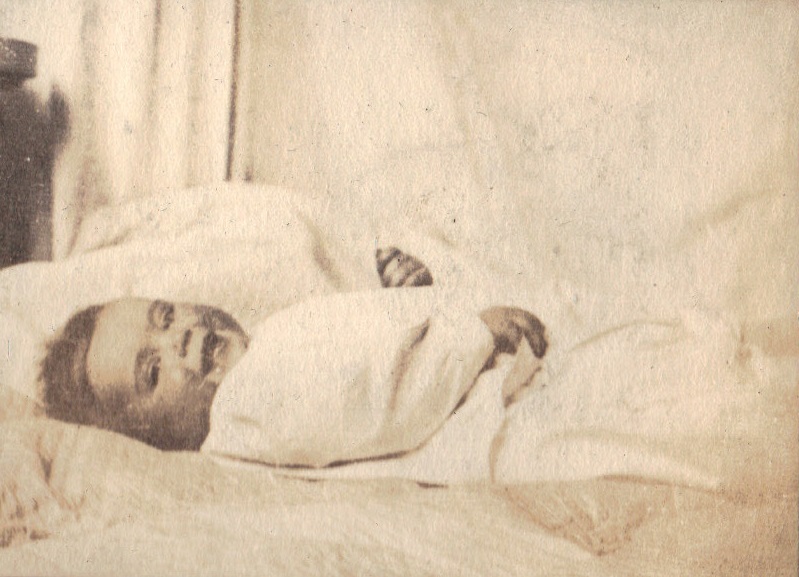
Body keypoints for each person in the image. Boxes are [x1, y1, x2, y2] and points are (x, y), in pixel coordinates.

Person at [39, 247, 548, 456]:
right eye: (152, 371)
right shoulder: (242, 408)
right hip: (481, 419)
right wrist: (469, 335)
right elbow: (376, 403)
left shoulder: (257, 356)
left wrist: (403, 305)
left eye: (165, 316)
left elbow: (353, 362)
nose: (180, 338)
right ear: (152, 439)